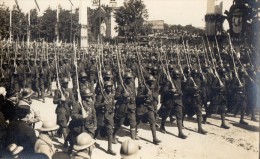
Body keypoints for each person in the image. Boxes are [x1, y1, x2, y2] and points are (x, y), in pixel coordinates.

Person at [159, 69, 188, 139]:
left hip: (178, 100)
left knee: (179, 116)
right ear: (173, 75)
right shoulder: (168, 81)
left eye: (178, 75)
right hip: (170, 101)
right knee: (165, 115)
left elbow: (182, 88)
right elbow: (164, 91)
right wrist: (170, 91)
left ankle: (180, 132)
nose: (177, 76)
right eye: (176, 75)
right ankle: (162, 126)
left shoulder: (179, 80)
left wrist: (180, 91)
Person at [67, 88, 97, 154]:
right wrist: (81, 116)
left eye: (90, 96)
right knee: (76, 141)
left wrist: (95, 125)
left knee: (89, 142)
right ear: (83, 97)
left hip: (89, 126)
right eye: (87, 97)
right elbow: (73, 115)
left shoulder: (91, 103)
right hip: (79, 127)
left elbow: (94, 114)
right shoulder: (77, 104)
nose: (89, 98)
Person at [136, 75, 162, 144]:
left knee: (152, 122)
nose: (152, 82)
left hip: (150, 106)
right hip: (142, 106)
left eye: (152, 81)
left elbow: (154, 95)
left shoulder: (152, 86)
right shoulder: (143, 86)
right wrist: (145, 96)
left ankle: (154, 138)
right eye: (150, 81)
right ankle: (134, 132)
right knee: (138, 120)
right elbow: (138, 97)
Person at [113, 72, 138, 143]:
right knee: (119, 123)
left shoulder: (132, 85)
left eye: (130, 78)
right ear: (124, 79)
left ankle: (133, 142)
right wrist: (123, 95)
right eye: (128, 78)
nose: (129, 80)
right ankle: (113, 134)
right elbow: (116, 97)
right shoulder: (120, 86)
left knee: (133, 123)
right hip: (123, 107)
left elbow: (134, 94)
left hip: (131, 106)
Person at [95, 81, 117, 155]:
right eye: (108, 87)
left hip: (109, 115)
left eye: (111, 86)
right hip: (101, 115)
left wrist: (113, 109)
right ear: (104, 87)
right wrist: (103, 104)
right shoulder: (100, 95)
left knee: (110, 130)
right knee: (97, 128)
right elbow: (96, 105)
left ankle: (109, 149)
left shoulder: (111, 95)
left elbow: (112, 104)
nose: (110, 88)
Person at [53, 77, 75, 146]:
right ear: (62, 84)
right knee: (64, 125)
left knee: (63, 124)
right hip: (61, 110)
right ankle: (66, 142)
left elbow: (73, 101)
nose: (66, 85)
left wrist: (68, 101)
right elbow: (54, 101)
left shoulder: (70, 91)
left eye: (67, 83)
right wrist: (60, 99)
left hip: (68, 110)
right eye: (65, 83)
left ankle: (59, 132)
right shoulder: (58, 90)